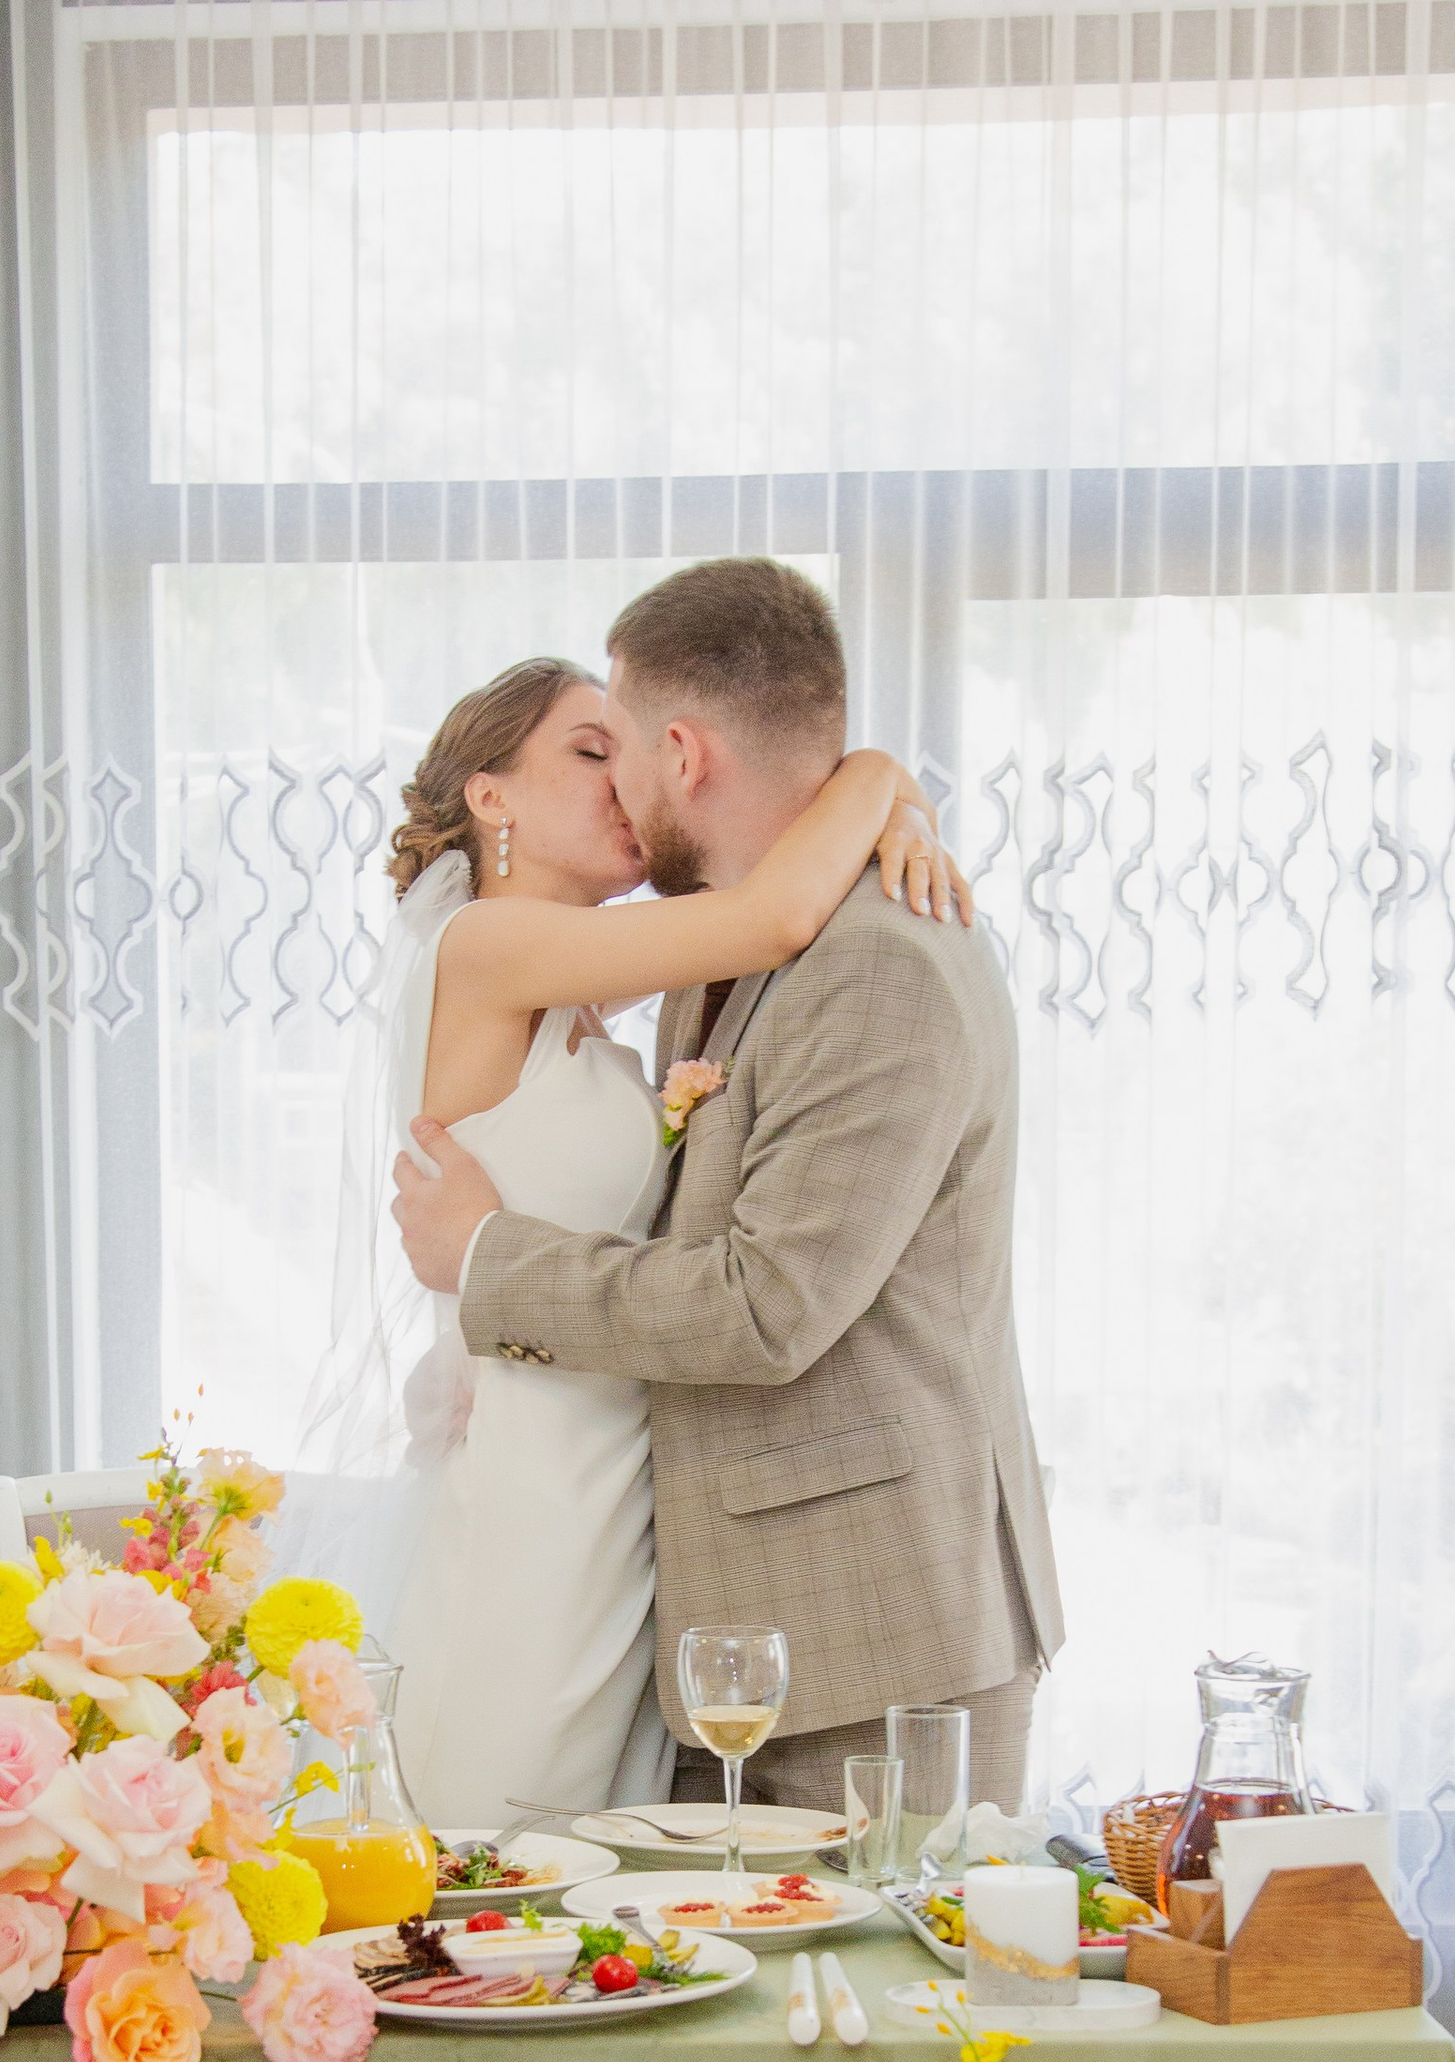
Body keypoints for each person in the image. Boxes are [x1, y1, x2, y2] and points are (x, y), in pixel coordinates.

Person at [390, 557, 1062, 1818]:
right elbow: (755, 934)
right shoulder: (692, 940)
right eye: (583, 753)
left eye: (620, 746)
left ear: (685, 754)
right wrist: (879, 782)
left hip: (871, 1636)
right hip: (664, 1578)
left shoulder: (872, 961)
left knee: (867, 2010)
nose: (622, 788)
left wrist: (485, 1259)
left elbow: (766, 1305)